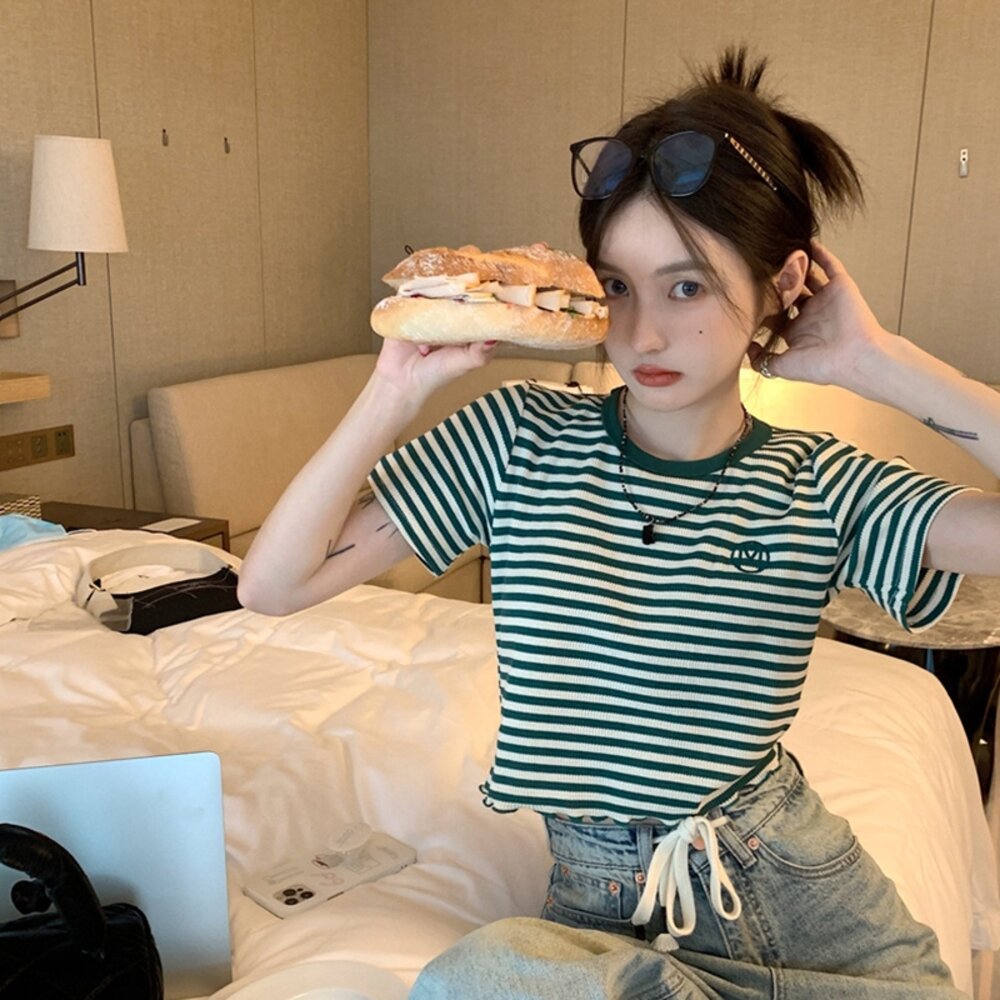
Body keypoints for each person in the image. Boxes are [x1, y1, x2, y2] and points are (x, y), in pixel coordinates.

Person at [238, 46, 1000, 999]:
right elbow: (270, 588)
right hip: (596, 897)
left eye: (688, 286)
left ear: (781, 285)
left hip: (790, 887)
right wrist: (393, 385)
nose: (641, 334)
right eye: (618, 286)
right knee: (480, 979)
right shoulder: (517, 438)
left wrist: (877, 362)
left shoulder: (820, 482)